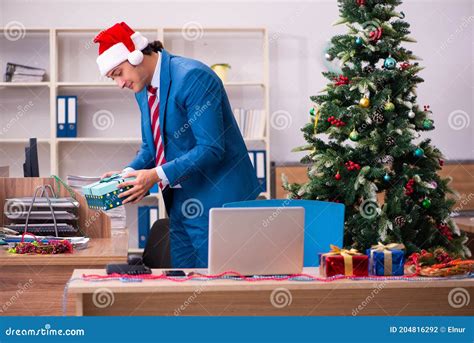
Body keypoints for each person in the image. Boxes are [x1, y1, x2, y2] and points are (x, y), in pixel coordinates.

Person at [94, 22, 261, 268]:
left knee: (218, 289)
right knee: (183, 286)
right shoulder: (143, 89)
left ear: (136, 55)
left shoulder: (192, 77)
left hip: (218, 200)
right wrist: (128, 174)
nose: (119, 83)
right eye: (112, 79)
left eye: (118, 73)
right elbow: (152, 147)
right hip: (180, 201)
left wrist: (154, 175)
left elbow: (211, 147)